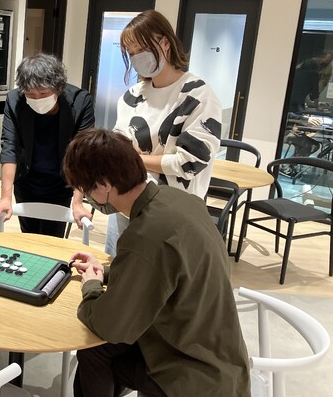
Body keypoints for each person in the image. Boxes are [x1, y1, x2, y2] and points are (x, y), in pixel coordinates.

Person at [63, 128, 251, 397]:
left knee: (94, 349)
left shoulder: (144, 234)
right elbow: (164, 270)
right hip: (224, 362)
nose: (87, 197)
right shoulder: (182, 201)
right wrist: (105, 271)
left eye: (85, 188)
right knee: (100, 353)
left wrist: (91, 287)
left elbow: (109, 325)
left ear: (103, 186)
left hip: (191, 376)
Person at [105, 9, 222, 256]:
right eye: (131, 53)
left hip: (173, 214)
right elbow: (117, 150)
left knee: (161, 276)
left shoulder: (197, 95)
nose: (137, 58)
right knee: (120, 271)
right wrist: (152, 159)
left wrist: (136, 159)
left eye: (141, 49)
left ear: (165, 43)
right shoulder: (132, 96)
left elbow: (189, 163)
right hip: (126, 206)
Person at [0, 53, 95, 236]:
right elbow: (10, 147)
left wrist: (77, 202)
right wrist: (5, 197)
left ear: (59, 88)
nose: (37, 99)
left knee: (52, 237)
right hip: (27, 179)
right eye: (30, 94)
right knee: (29, 235)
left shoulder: (80, 102)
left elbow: (83, 155)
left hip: (61, 181)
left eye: (44, 93)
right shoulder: (15, 100)